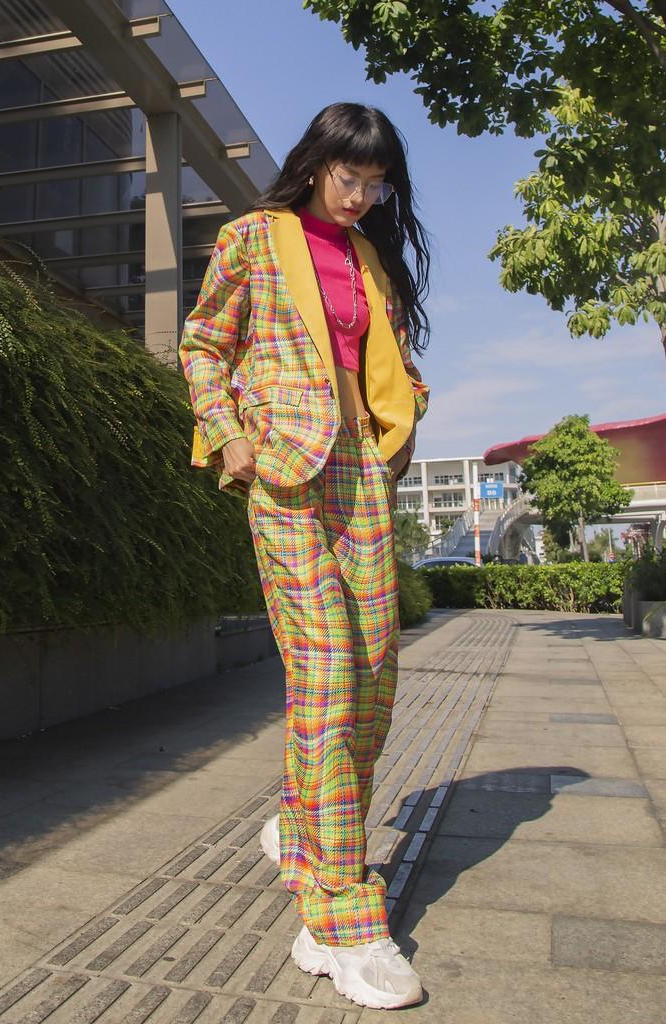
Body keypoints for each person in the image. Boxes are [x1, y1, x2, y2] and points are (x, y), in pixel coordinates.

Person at [179, 102, 430, 1011]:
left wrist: (407, 417)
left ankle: (302, 823)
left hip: (363, 472)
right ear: (317, 163)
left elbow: (391, 362)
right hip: (285, 473)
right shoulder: (253, 237)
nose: (361, 196)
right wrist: (227, 434)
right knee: (325, 671)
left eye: (377, 184)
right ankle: (342, 917)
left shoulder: (369, 260)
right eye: (349, 176)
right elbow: (203, 344)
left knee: (372, 675)